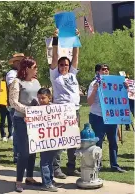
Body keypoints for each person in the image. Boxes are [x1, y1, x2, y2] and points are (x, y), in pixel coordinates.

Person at [50, 29, 81, 178]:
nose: (63, 66)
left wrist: (76, 39)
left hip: (74, 110)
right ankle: (56, 168)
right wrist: (55, 40)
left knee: (73, 140)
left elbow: (75, 55)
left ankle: (71, 166)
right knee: (60, 140)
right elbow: (55, 56)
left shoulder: (72, 74)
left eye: (66, 65)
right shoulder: (55, 75)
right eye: (61, 65)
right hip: (60, 111)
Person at [9, 57, 42, 192]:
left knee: (33, 149)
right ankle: (18, 181)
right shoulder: (17, 82)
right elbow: (13, 102)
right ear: (27, 68)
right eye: (34, 67)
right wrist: (27, 110)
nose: (36, 70)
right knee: (24, 152)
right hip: (21, 120)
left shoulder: (36, 82)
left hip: (35, 120)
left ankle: (29, 177)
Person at [87, 63, 126, 173]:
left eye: (107, 69)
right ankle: (97, 165)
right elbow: (89, 102)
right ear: (97, 72)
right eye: (103, 69)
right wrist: (95, 90)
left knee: (113, 142)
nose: (106, 71)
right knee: (98, 143)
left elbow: (120, 99)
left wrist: (124, 89)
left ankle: (114, 165)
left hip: (111, 116)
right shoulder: (93, 84)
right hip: (97, 117)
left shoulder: (113, 84)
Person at [36, 88, 61, 192]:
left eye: (43, 98)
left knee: (50, 160)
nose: (40, 100)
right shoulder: (36, 110)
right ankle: (47, 183)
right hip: (43, 140)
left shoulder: (54, 108)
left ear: (49, 98)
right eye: (39, 98)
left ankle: (50, 180)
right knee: (45, 161)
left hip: (53, 140)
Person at [7, 53, 25, 163]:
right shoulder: (12, 74)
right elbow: (12, 87)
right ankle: (17, 156)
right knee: (18, 131)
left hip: (23, 105)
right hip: (16, 106)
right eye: (19, 61)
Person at [0, 73, 13, 141]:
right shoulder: (0, 84)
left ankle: (10, 134)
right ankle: (3, 135)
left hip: (10, 105)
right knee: (2, 121)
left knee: (10, 121)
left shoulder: (11, 84)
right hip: (2, 106)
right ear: (3, 77)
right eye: (6, 77)